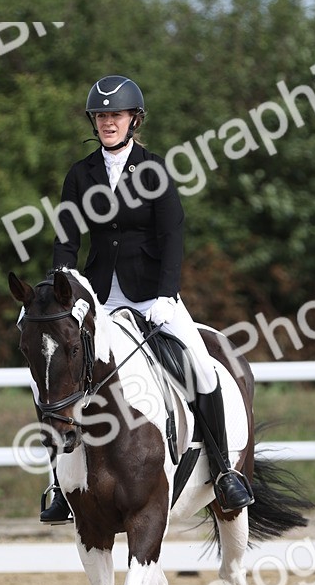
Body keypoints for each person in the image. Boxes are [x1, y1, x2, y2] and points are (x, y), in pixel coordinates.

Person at [39, 73, 254, 523]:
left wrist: (165, 294)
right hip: (97, 297)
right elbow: (66, 239)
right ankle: (59, 483)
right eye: (100, 116)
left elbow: (172, 235)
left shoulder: (154, 170)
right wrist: (63, 283)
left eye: (115, 115)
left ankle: (223, 471)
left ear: (134, 120)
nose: (107, 122)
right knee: (56, 370)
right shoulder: (80, 174)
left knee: (201, 366)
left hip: (151, 295)